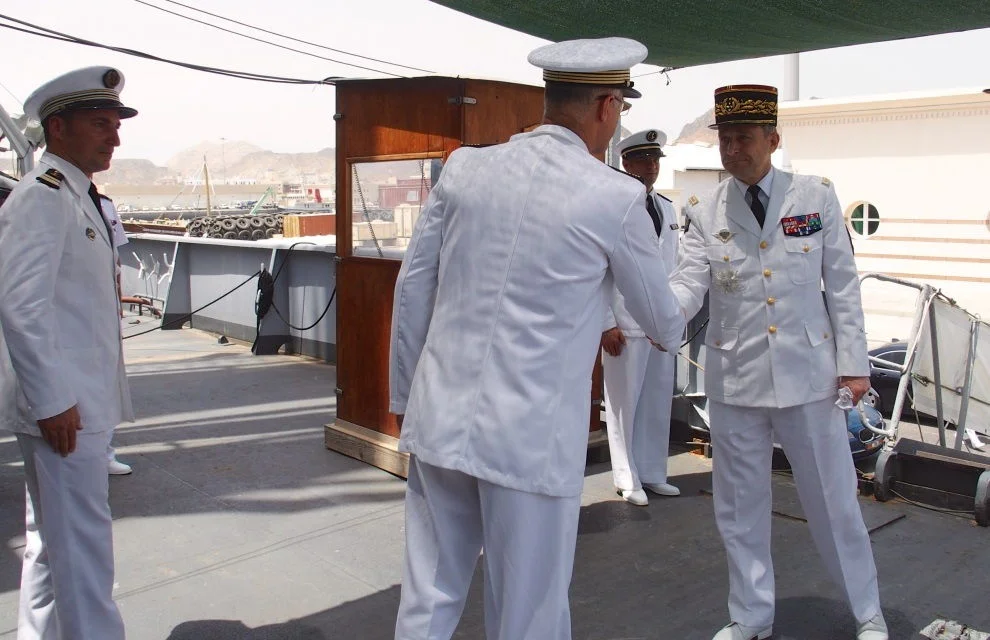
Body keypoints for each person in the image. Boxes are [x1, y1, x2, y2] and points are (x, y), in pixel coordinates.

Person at [389, 37, 685, 640]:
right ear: (606, 106)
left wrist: (405, 400)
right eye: (620, 107)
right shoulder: (615, 196)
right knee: (530, 612)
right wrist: (700, 280)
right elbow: (662, 321)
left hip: (439, 419)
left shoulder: (466, 168)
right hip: (530, 440)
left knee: (428, 598)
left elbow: (412, 289)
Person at [669, 85, 887, 640]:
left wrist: (854, 364)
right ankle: (751, 616)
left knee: (834, 505)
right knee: (739, 510)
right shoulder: (701, 209)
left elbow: (841, 288)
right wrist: (652, 318)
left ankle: (867, 613)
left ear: (773, 139)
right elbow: (689, 284)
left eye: (744, 137)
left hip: (808, 378)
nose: (733, 149)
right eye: (725, 138)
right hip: (735, 380)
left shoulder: (813, 197)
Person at [0, 66, 137, 640]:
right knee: (83, 551)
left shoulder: (78, 196)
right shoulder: (43, 198)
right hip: (66, 409)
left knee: (52, 548)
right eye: (101, 124)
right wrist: (54, 402)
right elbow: (20, 305)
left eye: (115, 124)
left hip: (80, 402)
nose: (115, 137)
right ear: (59, 128)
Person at [603, 128, 682, 506]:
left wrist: (672, 317)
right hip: (626, 323)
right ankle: (626, 477)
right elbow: (599, 270)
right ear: (626, 162)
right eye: (642, 160)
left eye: (655, 160)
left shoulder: (666, 208)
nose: (650, 166)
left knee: (656, 401)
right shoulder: (612, 204)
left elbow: (674, 268)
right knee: (623, 405)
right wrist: (607, 321)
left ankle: (652, 471)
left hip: (659, 325)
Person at [99, 194, 134, 476]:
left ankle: (105, 452)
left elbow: (115, 258)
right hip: (71, 313)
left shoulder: (106, 204)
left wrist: (117, 299)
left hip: (104, 309)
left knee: (107, 380)